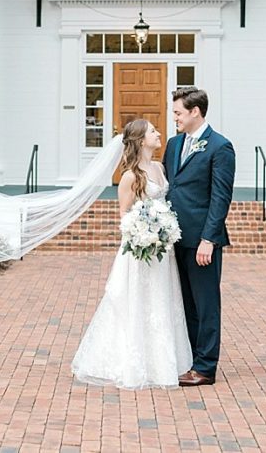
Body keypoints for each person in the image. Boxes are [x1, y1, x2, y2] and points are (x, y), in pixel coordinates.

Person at [71, 119, 192, 389]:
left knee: (162, 302)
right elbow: (125, 217)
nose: (158, 133)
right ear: (140, 140)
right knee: (137, 303)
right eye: (152, 131)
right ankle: (133, 363)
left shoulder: (160, 168)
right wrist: (144, 234)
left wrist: (164, 230)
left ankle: (161, 362)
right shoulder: (129, 176)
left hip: (163, 252)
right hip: (140, 253)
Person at [163, 87, 236, 387]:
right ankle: (191, 359)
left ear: (195, 112)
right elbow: (171, 186)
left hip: (201, 241)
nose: (175, 118)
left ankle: (205, 367)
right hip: (174, 238)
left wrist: (209, 238)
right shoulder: (173, 143)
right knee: (186, 304)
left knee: (206, 304)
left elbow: (221, 197)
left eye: (178, 112)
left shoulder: (220, 147)